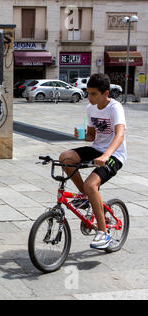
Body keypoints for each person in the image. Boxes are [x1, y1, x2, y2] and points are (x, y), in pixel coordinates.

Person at [59, 73, 127, 250]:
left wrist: (106, 156)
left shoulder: (115, 108)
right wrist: (81, 136)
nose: (89, 97)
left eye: (93, 94)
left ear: (105, 93)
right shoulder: (91, 108)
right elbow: (92, 136)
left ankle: (104, 234)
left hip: (115, 154)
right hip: (97, 149)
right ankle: (86, 197)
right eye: (88, 93)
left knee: (91, 185)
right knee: (65, 157)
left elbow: (120, 135)